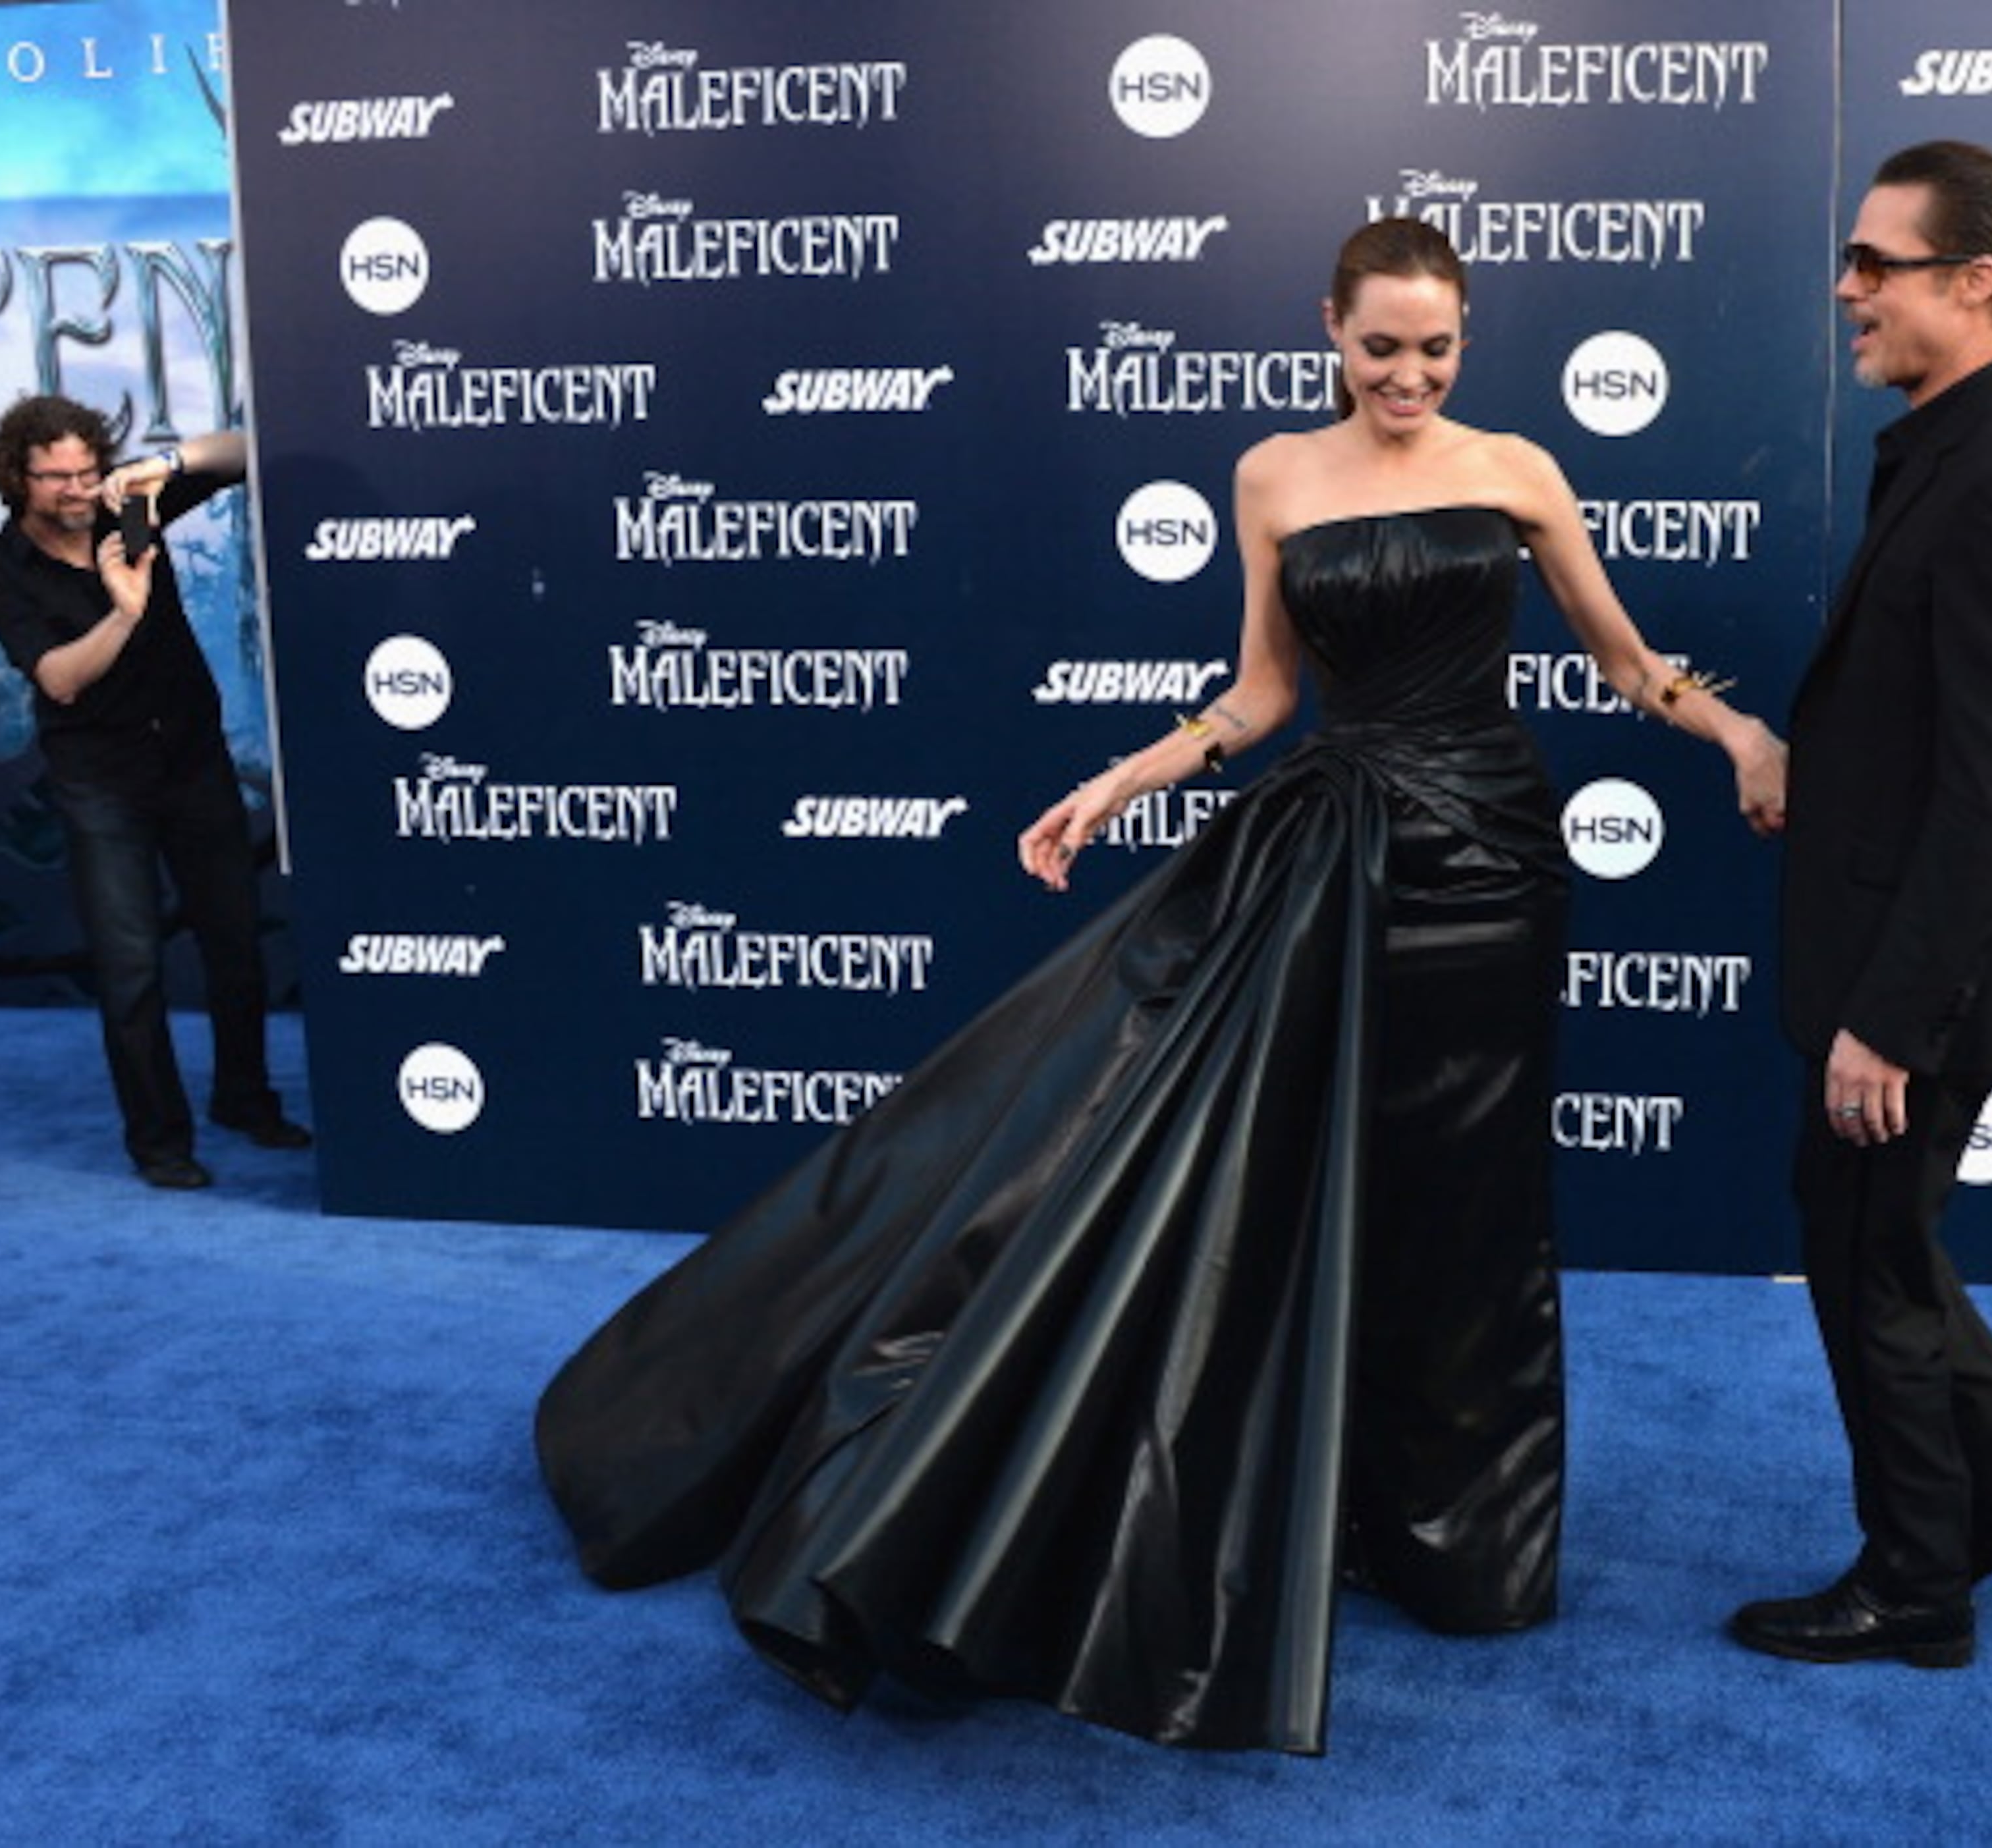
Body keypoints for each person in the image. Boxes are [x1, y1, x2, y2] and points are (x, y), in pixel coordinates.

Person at [535, 217, 1786, 1754]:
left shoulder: (1519, 468)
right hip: (1340, 866)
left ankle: (1464, 1540)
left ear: (1467, 336)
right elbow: (1262, 694)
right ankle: (1294, 1505)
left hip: (1495, 871)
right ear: (1328, 327)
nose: (1408, 374)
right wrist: (1121, 780)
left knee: (1472, 1208)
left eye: (1436, 347)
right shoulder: (1272, 475)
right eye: (1380, 345)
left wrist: (1735, 732)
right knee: (1292, 1188)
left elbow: (1626, 660)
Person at [1729, 142, 1992, 1670]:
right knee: (1867, 1227)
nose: (1846, 287)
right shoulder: (1956, 446)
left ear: (1977, 282)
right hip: (1905, 933)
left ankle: (1916, 1582)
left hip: (1924, 969)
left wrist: (1886, 1018)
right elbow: (1927, 726)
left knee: (1871, 1254)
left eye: (1877, 263)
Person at [0, 396, 308, 1190]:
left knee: (235, 945)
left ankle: (246, 1100)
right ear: (17, 477)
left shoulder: (128, 500)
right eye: (57, 477)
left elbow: (246, 451)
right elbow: (59, 679)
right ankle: (158, 1142)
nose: (78, 489)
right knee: (131, 970)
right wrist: (123, 614)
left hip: (192, 761)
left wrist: (169, 463)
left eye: (88, 470)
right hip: (101, 782)